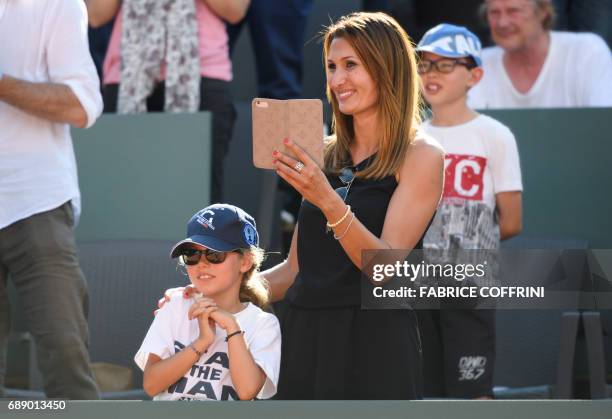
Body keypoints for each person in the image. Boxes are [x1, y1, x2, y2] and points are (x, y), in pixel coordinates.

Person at [160, 12, 444, 399]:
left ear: (387, 68)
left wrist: (327, 199)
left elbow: (383, 267)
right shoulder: (322, 154)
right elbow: (295, 270)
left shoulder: (421, 154)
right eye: (331, 67)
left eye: (351, 66)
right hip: (303, 336)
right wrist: (221, 293)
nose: (338, 80)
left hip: (375, 344)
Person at [0, 0, 102, 399]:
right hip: (36, 198)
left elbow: (81, 105)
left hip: (36, 201)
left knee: (65, 356)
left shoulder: (56, 3)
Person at [416, 23, 523, 398]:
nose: (431, 73)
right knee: (422, 391)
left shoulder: (494, 135)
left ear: (474, 74)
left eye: (445, 65)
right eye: (425, 64)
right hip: (416, 284)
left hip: (469, 285)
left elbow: (511, 221)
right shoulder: (411, 137)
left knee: (472, 390)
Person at [86, 0, 250, 203]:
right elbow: (97, 14)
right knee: (126, 196)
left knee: (199, 203)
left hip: (202, 76)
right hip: (128, 77)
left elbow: (234, 9)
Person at [137, 204, 281, 400]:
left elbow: (247, 391)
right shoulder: (175, 305)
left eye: (215, 255)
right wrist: (202, 341)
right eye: (192, 254)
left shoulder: (263, 324)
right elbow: (151, 385)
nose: (202, 263)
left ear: (245, 262)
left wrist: (232, 327)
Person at [468, 0, 612, 108]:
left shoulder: (587, 53)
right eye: (494, 13)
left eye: (513, 11)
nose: (502, 23)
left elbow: (602, 128)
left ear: (543, 11)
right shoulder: (478, 64)